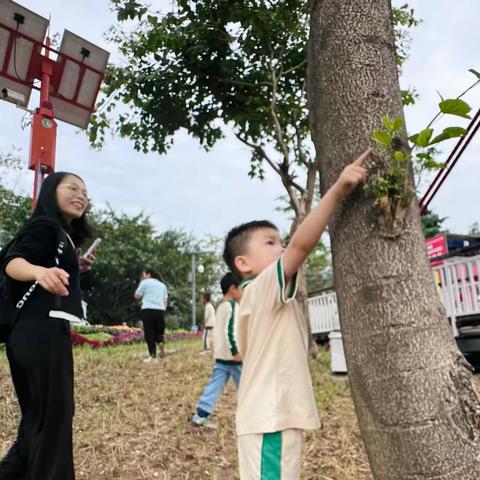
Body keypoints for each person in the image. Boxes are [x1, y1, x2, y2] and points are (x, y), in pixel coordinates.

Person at [223, 149, 371, 479]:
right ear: (243, 264)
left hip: (271, 418)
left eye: (280, 241)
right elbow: (300, 248)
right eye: (270, 242)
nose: (282, 247)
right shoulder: (261, 289)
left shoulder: (260, 298)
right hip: (269, 418)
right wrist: (337, 190)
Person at [0, 172, 95, 480]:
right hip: (40, 331)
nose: (81, 195)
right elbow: (12, 262)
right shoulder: (45, 225)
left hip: (35, 332)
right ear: (51, 191)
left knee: (38, 419)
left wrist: (73, 266)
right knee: (53, 418)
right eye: (72, 188)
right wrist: (39, 272)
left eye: (84, 191)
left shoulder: (61, 235)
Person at [191, 272, 242, 429]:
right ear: (233, 289)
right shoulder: (233, 307)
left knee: (214, 385)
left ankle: (200, 415)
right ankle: (259, 416)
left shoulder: (220, 306)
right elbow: (229, 331)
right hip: (233, 358)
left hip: (221, 357)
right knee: (248, 386)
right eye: (242, 289)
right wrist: (236, 352)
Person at [135, 269, 168, 362]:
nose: (142, 276)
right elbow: (165, 301)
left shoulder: (145, 283)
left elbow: (137, 295)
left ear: (149, 274)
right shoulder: (163, 285)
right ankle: (161, 342)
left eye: (143, 274)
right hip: (160, 310)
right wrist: (162, 310)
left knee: (149, 332)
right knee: (159, 332)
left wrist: (141, 283)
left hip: (148, 309)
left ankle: (153, 356)